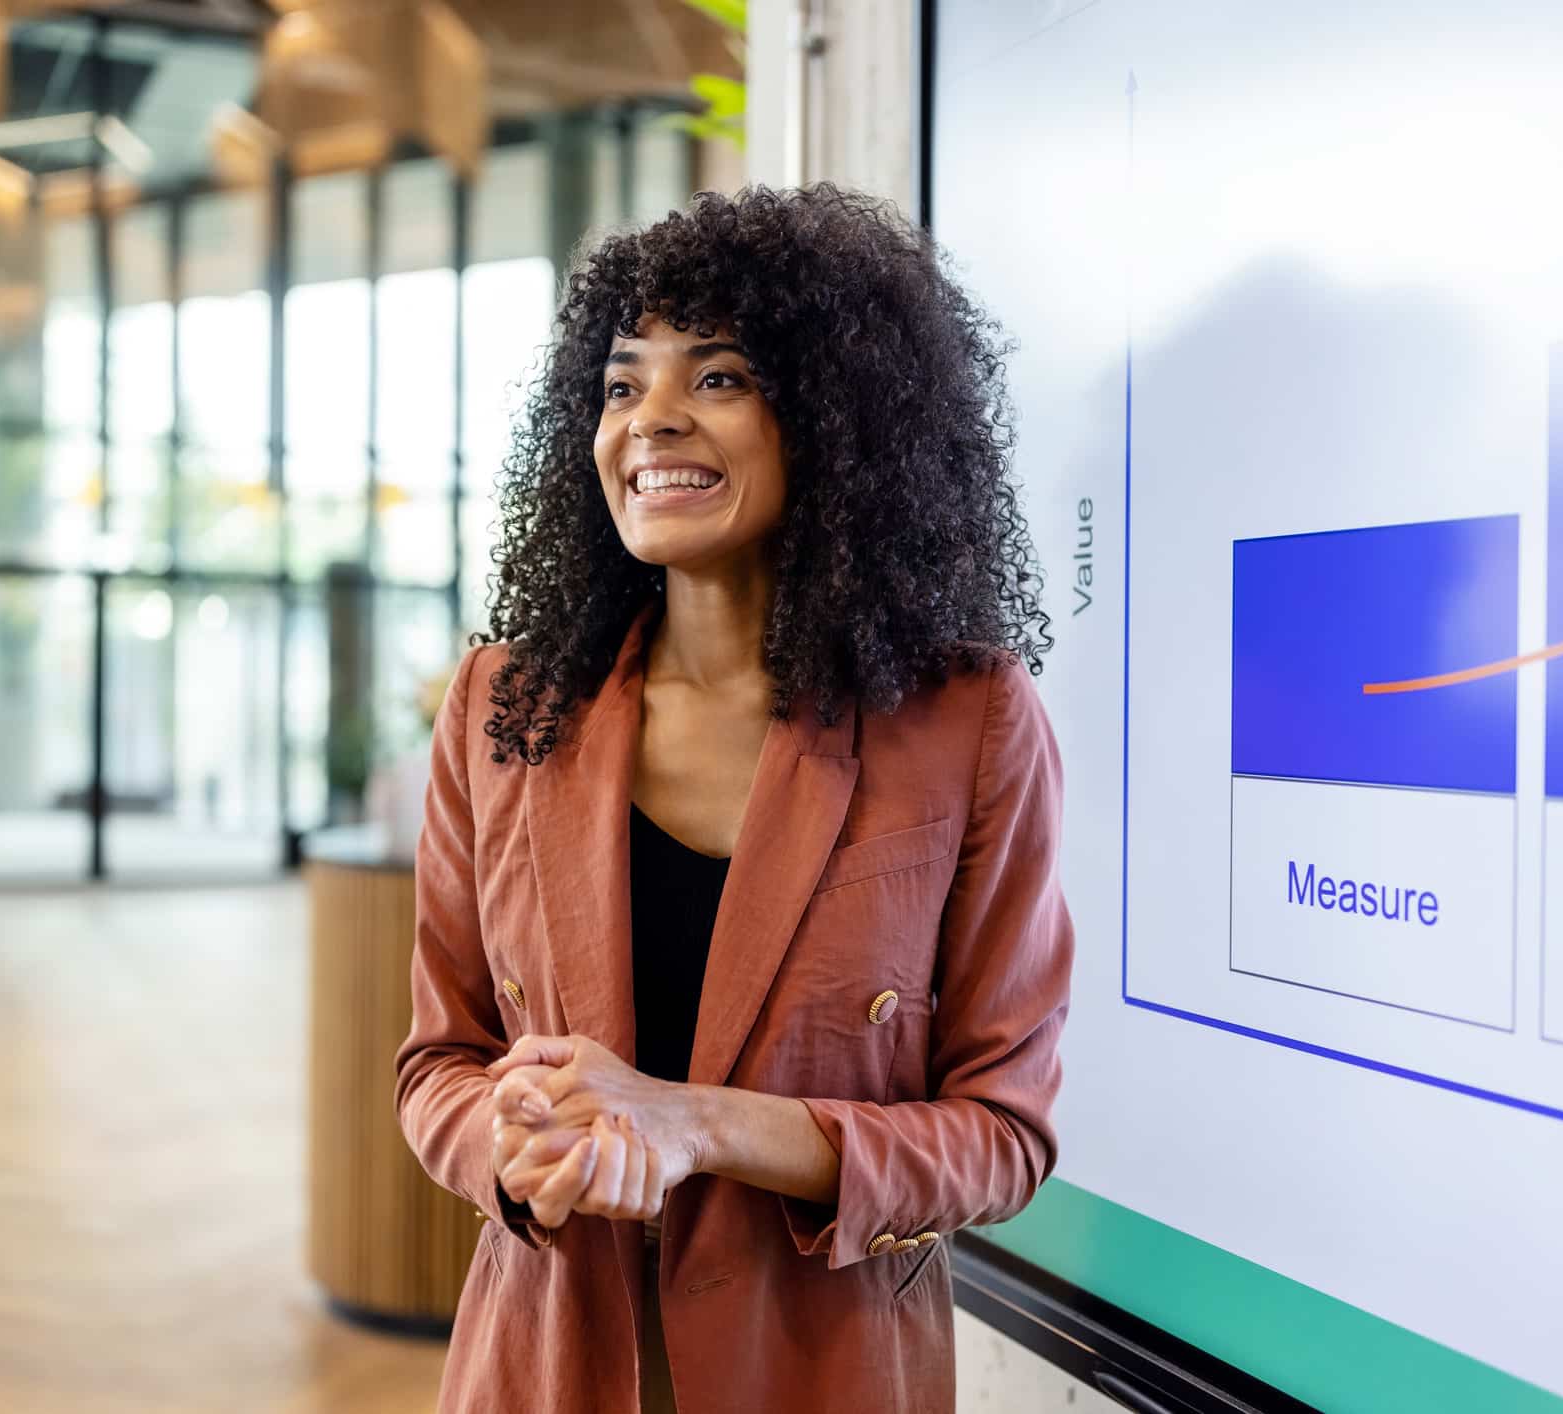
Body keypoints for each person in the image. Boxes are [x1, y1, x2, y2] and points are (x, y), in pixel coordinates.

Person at [394, 182, 1074, 1414]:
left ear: (834, 418)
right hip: (540, 1367)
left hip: (817, 1374)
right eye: (620, 383)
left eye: (715, 378)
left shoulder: (965, 721)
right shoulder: (507, 705)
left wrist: (693, 1125)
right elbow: (439, 1061)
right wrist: (516, 1141)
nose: (650, 419)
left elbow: (1001, 1134)